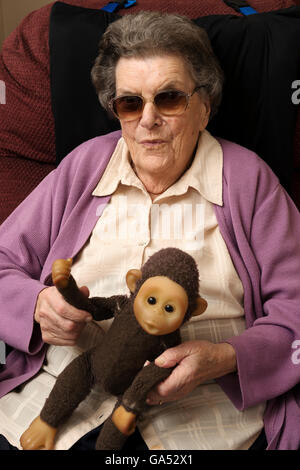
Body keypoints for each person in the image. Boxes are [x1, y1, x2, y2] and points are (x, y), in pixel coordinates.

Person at [0, 11, 299, 450]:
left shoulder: (249, 181)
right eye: (130, 103)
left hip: (202, 410)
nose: (148, 119)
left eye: (170, 98)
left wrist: (226, 358)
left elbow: (296, 304)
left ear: (205, 106)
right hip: (64, 400)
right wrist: (36, 305)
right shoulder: (84, 166)